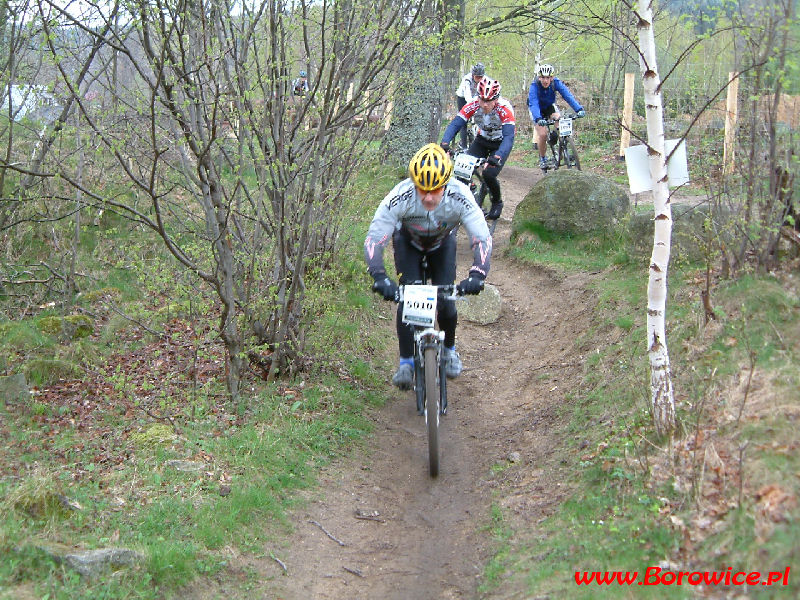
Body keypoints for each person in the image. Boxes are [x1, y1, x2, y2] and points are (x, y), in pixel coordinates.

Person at [364, 143, 492, 390]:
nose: (429, 197)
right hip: (408, 243)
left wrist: (478, 272)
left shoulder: (460, 196)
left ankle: (450, 350)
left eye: (436, 190)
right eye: (423, 190)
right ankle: (406, 363)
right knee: (408, 298)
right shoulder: (400, 196)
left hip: (441, 245)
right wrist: (379, 274)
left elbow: (481, 238)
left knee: (446, 301)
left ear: (446, 184)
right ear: (414, 184)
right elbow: (375, 238)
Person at [440, 77, 515, 221]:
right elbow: (456, 123)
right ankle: (468, 194)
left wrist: (498, 156)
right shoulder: (474, 104)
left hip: (500, 143)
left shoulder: (505, 109)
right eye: (482, 100)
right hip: (481, 140)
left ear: (496, 99)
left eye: (489, 101)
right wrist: (444, 143)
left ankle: (497, 201)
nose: (485, 104)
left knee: (489, 173)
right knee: (462, 170)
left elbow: (508, 138)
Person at [527, 64, 585, 170]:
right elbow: (533, 104)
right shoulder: (534, 86)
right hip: (537, 109)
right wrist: (538, 119)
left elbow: (567, 95)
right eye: (543, 77)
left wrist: (579, 109)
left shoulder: (556, 83)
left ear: (552, 77)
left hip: (549, 106)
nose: (545, 80)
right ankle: (543, 159)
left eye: (548, 78)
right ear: (539, 77)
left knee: (560, 121)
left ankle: (564, 146)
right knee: (543, 134)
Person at [454, 63, 486, 148]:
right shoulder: (467, 79)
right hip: (463, 98)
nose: (479, 79)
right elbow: (467, 95)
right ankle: (464, 146)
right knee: (463, 121)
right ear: (473, 75)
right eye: (477, 77)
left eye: (481, 77)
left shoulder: (484, 79)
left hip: (475, 98)